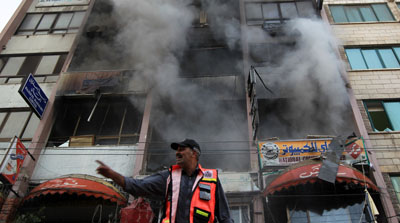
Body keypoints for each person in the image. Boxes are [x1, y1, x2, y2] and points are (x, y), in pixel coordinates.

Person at [96, 138, 234, 223]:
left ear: (194, 153)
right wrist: (113, 175)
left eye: (182, 149)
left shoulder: (212, 179)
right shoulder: (169, 177)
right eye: (177, 150)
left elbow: (225, 217)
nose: (177, 152)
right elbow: (139, 186)